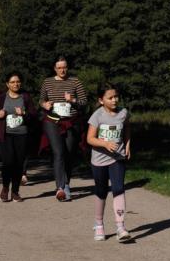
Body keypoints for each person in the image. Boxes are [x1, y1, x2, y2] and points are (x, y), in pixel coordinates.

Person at [86, 83, 132, 242]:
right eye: (110, 97)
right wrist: (105, 144)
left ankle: (120, 227)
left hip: (117, 157)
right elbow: (89, 139)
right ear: (101, 100)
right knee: (101, 191)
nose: (114, 100)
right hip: (99, 159)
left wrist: (127, 144)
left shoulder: (123, 113)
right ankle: (99, 224)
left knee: (119, 188)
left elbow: (126, 128)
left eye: (116, 97)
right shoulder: (97, 116)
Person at [39, 56, 88, 201]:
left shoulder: (75, 81)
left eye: (64, 67)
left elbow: (84, 102)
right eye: (59, 67)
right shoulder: (47, 82)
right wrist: (44, 105)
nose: (62, 70)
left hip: (71, 122)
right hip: (52, 121)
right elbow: (41, 100)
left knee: (69, 153)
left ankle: (66, 183)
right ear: (55, 69)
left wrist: (72, 100)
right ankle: (60, 187)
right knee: (58, 152)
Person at [0, 71, 38, 202]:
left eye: (18, 82)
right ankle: (5, 189)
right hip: (5, 134)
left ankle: (15, 192)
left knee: (18, 163)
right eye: (12, 82)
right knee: (8, 162)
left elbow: (33, 115)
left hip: (21, 135)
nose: (16, 84)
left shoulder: (25, 97)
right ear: (7, 84)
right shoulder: (0, 97)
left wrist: (24, 113)